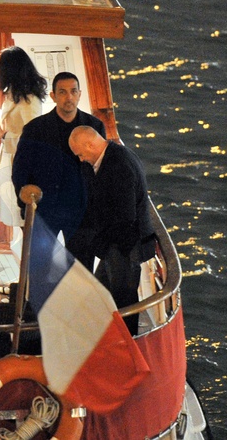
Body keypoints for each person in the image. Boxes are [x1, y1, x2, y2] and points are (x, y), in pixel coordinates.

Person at [12, 71, 106, 268]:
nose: (69, 97)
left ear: (79, 94)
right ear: (53, 96)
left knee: (81, 270)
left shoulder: (94, 126)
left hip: (82, 211)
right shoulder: (35, 129)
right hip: (45, 209)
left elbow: (102, 168)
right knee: (40, 267)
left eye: (73, 91)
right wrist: (26, 205)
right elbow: (20, 169)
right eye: (62, 92)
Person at [68, 126, 156, 336]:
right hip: (114, 244)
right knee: (101, 295)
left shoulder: (119, 165)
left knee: (124, 301)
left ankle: (127, 344)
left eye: (81, 154)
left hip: (125, 246)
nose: (81, 159)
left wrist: (99, 242)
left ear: (90, 145)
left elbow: (125, 217)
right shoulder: (112, 157)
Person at [0, 46, 46, 244]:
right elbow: (10, 121)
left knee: (25, 218)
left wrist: (4, 136)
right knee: (18, 217)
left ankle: (31, 263)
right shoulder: (14, 93)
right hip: (10, 160)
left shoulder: (30, 100)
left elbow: (32, 137)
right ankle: (27, 262)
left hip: (21, 163)